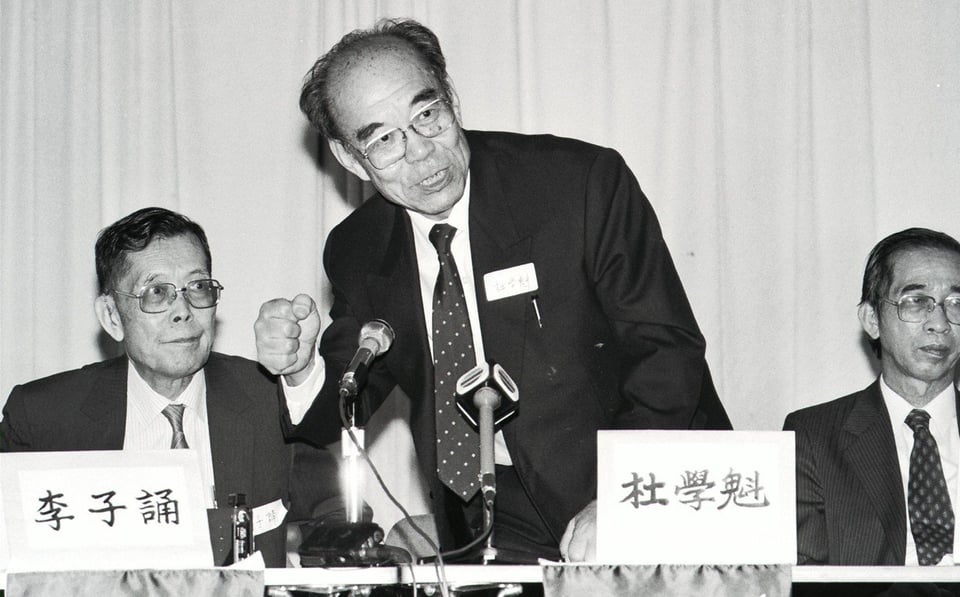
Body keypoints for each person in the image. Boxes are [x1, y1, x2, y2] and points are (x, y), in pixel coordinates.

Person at [255, 18, 730, 563]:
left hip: (643, 484)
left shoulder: (576, 184)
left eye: (427, 115)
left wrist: (622, 497)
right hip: (487, 513)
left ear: (451, 99)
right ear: (348, 158)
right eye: (385, 140)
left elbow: (666, 353)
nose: (422, 154)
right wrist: (298, 368)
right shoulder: (358, 248)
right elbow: (346, 398)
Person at [1, 207, 317, 567]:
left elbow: (338, 520)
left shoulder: (271, 400)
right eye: (156, 292)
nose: (183, 310)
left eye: (198, 287)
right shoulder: (44, 418)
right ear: (112, 316)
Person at [784, 228, 960, 566]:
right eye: (917, 302)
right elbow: (806, 577)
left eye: (958, 305)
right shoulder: (814, 436)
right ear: (872, 319)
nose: (939, 323)